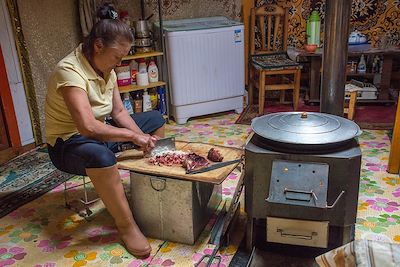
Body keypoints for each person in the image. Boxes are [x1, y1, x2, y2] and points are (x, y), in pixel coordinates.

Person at [45, 19, 165, 258]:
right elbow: (87, 126)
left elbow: (118, 112)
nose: (119, 64)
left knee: (155, 120)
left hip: (98, 133)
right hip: (68, 144)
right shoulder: (69, 71)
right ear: (98, 45)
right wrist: (132, 136)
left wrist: (142, 137)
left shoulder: (106, 68)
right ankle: (126, 225)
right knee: (102, 156)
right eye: (117, 57)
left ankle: (150, 181)